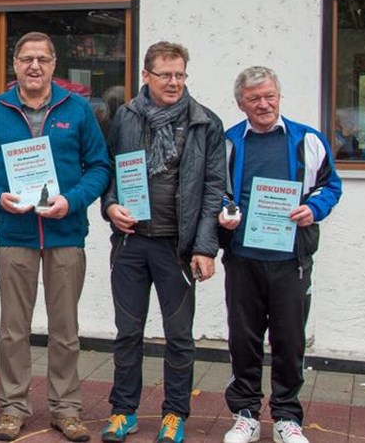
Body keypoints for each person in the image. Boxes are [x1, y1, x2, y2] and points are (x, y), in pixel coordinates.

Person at [0, 31, 112, 442]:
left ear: (54, 66)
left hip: (66, 233)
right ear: (14, 64)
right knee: (13, 329)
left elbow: (99, 167)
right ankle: (12, 408)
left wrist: (74, 200)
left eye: (43, 60)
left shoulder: (78, 109)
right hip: (14, 233)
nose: (34, 66)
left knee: (65, 329)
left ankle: (66, 408)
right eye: (26, 58)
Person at [99, 41, 225, 443]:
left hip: (178, 246)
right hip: (131, 243)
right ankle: (124, 411)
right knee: (127, 333)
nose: (173, 82)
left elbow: (213, 188)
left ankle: (174, 414)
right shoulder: (125, 117)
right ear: (145, 76)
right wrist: (110, 206)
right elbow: (110, 172)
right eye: (165, 74)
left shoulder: (206, 123)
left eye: (180, 74)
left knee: (179, 336)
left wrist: (206, 247)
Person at [218, 67, 342, 443]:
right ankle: (246, 414)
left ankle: (287, 417)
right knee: (244, 338)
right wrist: (224, 212)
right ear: (241, 104)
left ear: (279, 96)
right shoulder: (228, 142)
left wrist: (314, 209)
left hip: (291, 261)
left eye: (269, 95)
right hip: (243, 258)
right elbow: (217, 192)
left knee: (290, 341)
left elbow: (330, 186)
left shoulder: (308, 139)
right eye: (254, 98)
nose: (263, 104)